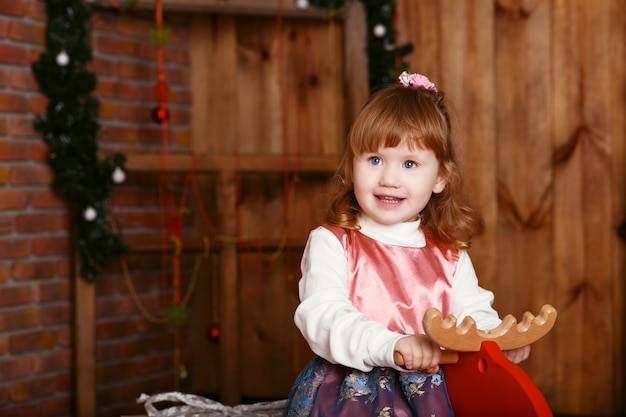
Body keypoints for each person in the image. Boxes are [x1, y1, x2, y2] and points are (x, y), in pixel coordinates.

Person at [282, 71, 531, 417]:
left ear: (440, 177)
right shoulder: (333, 242)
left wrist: (495, 341)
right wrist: (393, 344)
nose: (389, 178)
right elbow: (324, 316)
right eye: (374, 160)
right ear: (353, 167)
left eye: (410, 163)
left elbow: (470, 316)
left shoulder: (448, 255)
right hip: (349, 397)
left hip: (430, 396)